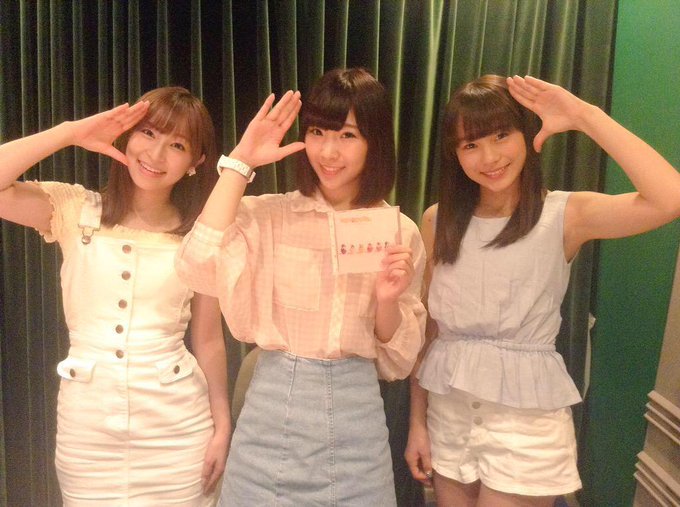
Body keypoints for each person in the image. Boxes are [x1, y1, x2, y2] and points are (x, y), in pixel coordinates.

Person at [405, 74, 680, 506]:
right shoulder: (438, 220)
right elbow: (429, 333)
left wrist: (585, 116)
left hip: (525, 424)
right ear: (454, 153)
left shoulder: (564, 215)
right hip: (448, 415)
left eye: (501, 135)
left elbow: (669, 198)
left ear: (527, 134)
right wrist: (417, 423)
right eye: (471, 144)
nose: (489, 157)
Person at [175, 68, 427, 506]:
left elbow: (398, 360)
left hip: (357, 425)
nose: (328, 151)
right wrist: (241, 162)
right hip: (270, 416)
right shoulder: (266, 216)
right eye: (317, 132)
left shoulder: (399, 232)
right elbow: (194, 265)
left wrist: (387, 301)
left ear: (375, 141)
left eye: (347, 135)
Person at [0, 87, 230, 505]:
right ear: (127, 135)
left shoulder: (199, 234)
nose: (156, 154)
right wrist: (70, 132)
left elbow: (209, 339)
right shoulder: (75, 209)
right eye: (148, 133)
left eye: (177, 145)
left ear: (196, 162)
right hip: (88, 432)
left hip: (178, 431)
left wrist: (222, 426)